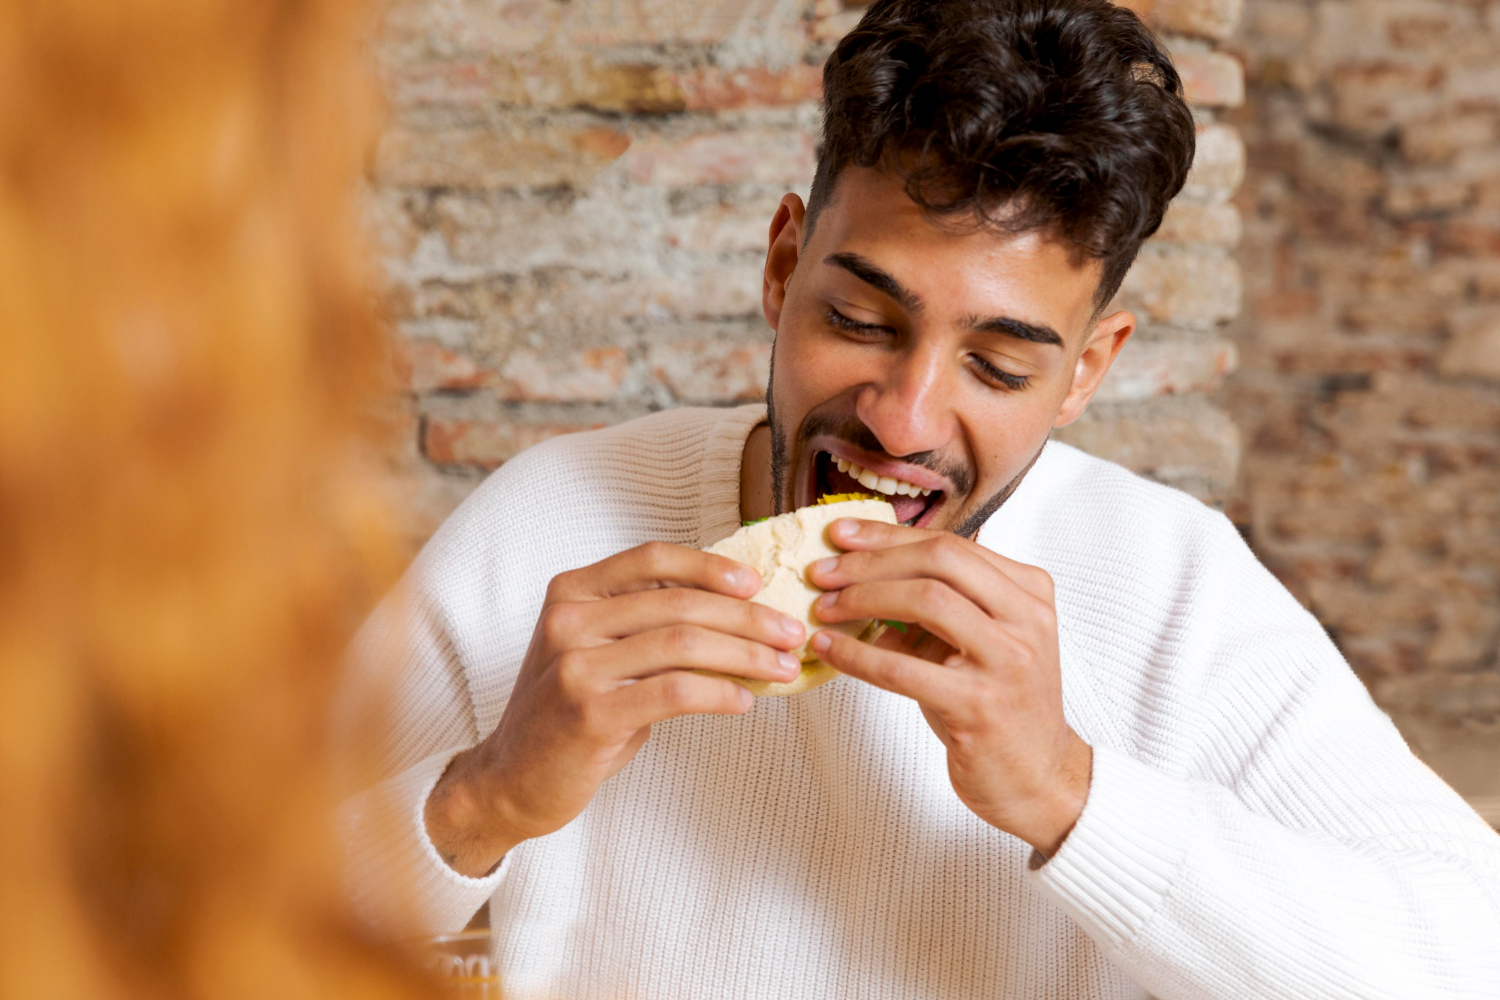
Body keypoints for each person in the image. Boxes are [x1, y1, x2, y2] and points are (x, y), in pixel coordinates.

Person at [337, 0, 1500, 996]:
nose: (901, 417)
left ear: (1087, 371)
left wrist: (1070, 793)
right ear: (783, 264)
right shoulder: (553, 527)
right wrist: (482, 799)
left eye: (998, 364)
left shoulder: (1168, 587)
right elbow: (185, 923)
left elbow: (1467, 958)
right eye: (859, 319)